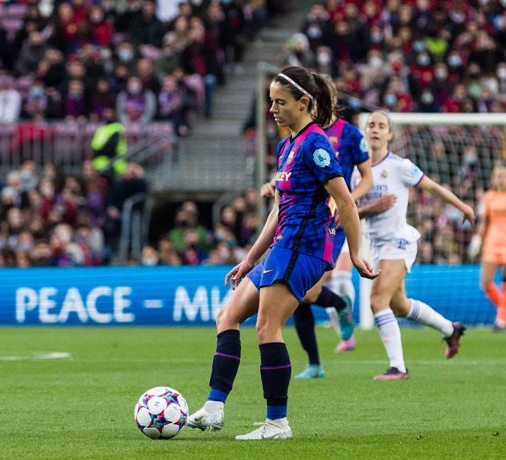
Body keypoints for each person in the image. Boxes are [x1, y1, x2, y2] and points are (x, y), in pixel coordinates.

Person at [187, 66, 378, 440]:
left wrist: (355, 254)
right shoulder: (286, 145)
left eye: (280, 102)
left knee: (266, 327)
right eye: (270, 101)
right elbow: (278, 209)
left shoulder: (316, 144)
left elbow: (345, 201)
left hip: (303, 246)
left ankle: (277, 423)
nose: (272, 109)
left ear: (304, 103)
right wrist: (249, 259)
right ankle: (213, 408)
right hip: (282, 244)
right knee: (227, 316)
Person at [261, 84, 373, 380]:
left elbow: (366, 179)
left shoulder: (347, 134)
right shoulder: (295, 138)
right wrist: (272, 186)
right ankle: (314, 363)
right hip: (298, 224)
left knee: (305, 291)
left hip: (327, 221)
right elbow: (289, 177)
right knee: (296, 293)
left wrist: (347, 200)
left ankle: (339, 305)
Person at [356, 110, 475, 381]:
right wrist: (370, 208)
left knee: (377, 300)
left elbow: (433, 187)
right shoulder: (356, 173)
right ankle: (450, 329)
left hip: (398, 241)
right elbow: (347, 213)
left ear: (389, 135)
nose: (374, 129)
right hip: (376, 246)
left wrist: (462, 206)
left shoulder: (399, 165)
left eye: (381, 126)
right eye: (371, 125)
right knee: (399, 306)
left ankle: (398, 367)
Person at [468, 164, 506, 331]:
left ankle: (501, 320)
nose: (501, 179)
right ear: (493, 179)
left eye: (504, 175)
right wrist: (477, 240)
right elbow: (483, 222)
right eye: (498, 175)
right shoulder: (488, 197)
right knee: (486, 282)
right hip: (492, 241)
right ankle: (505, 307)